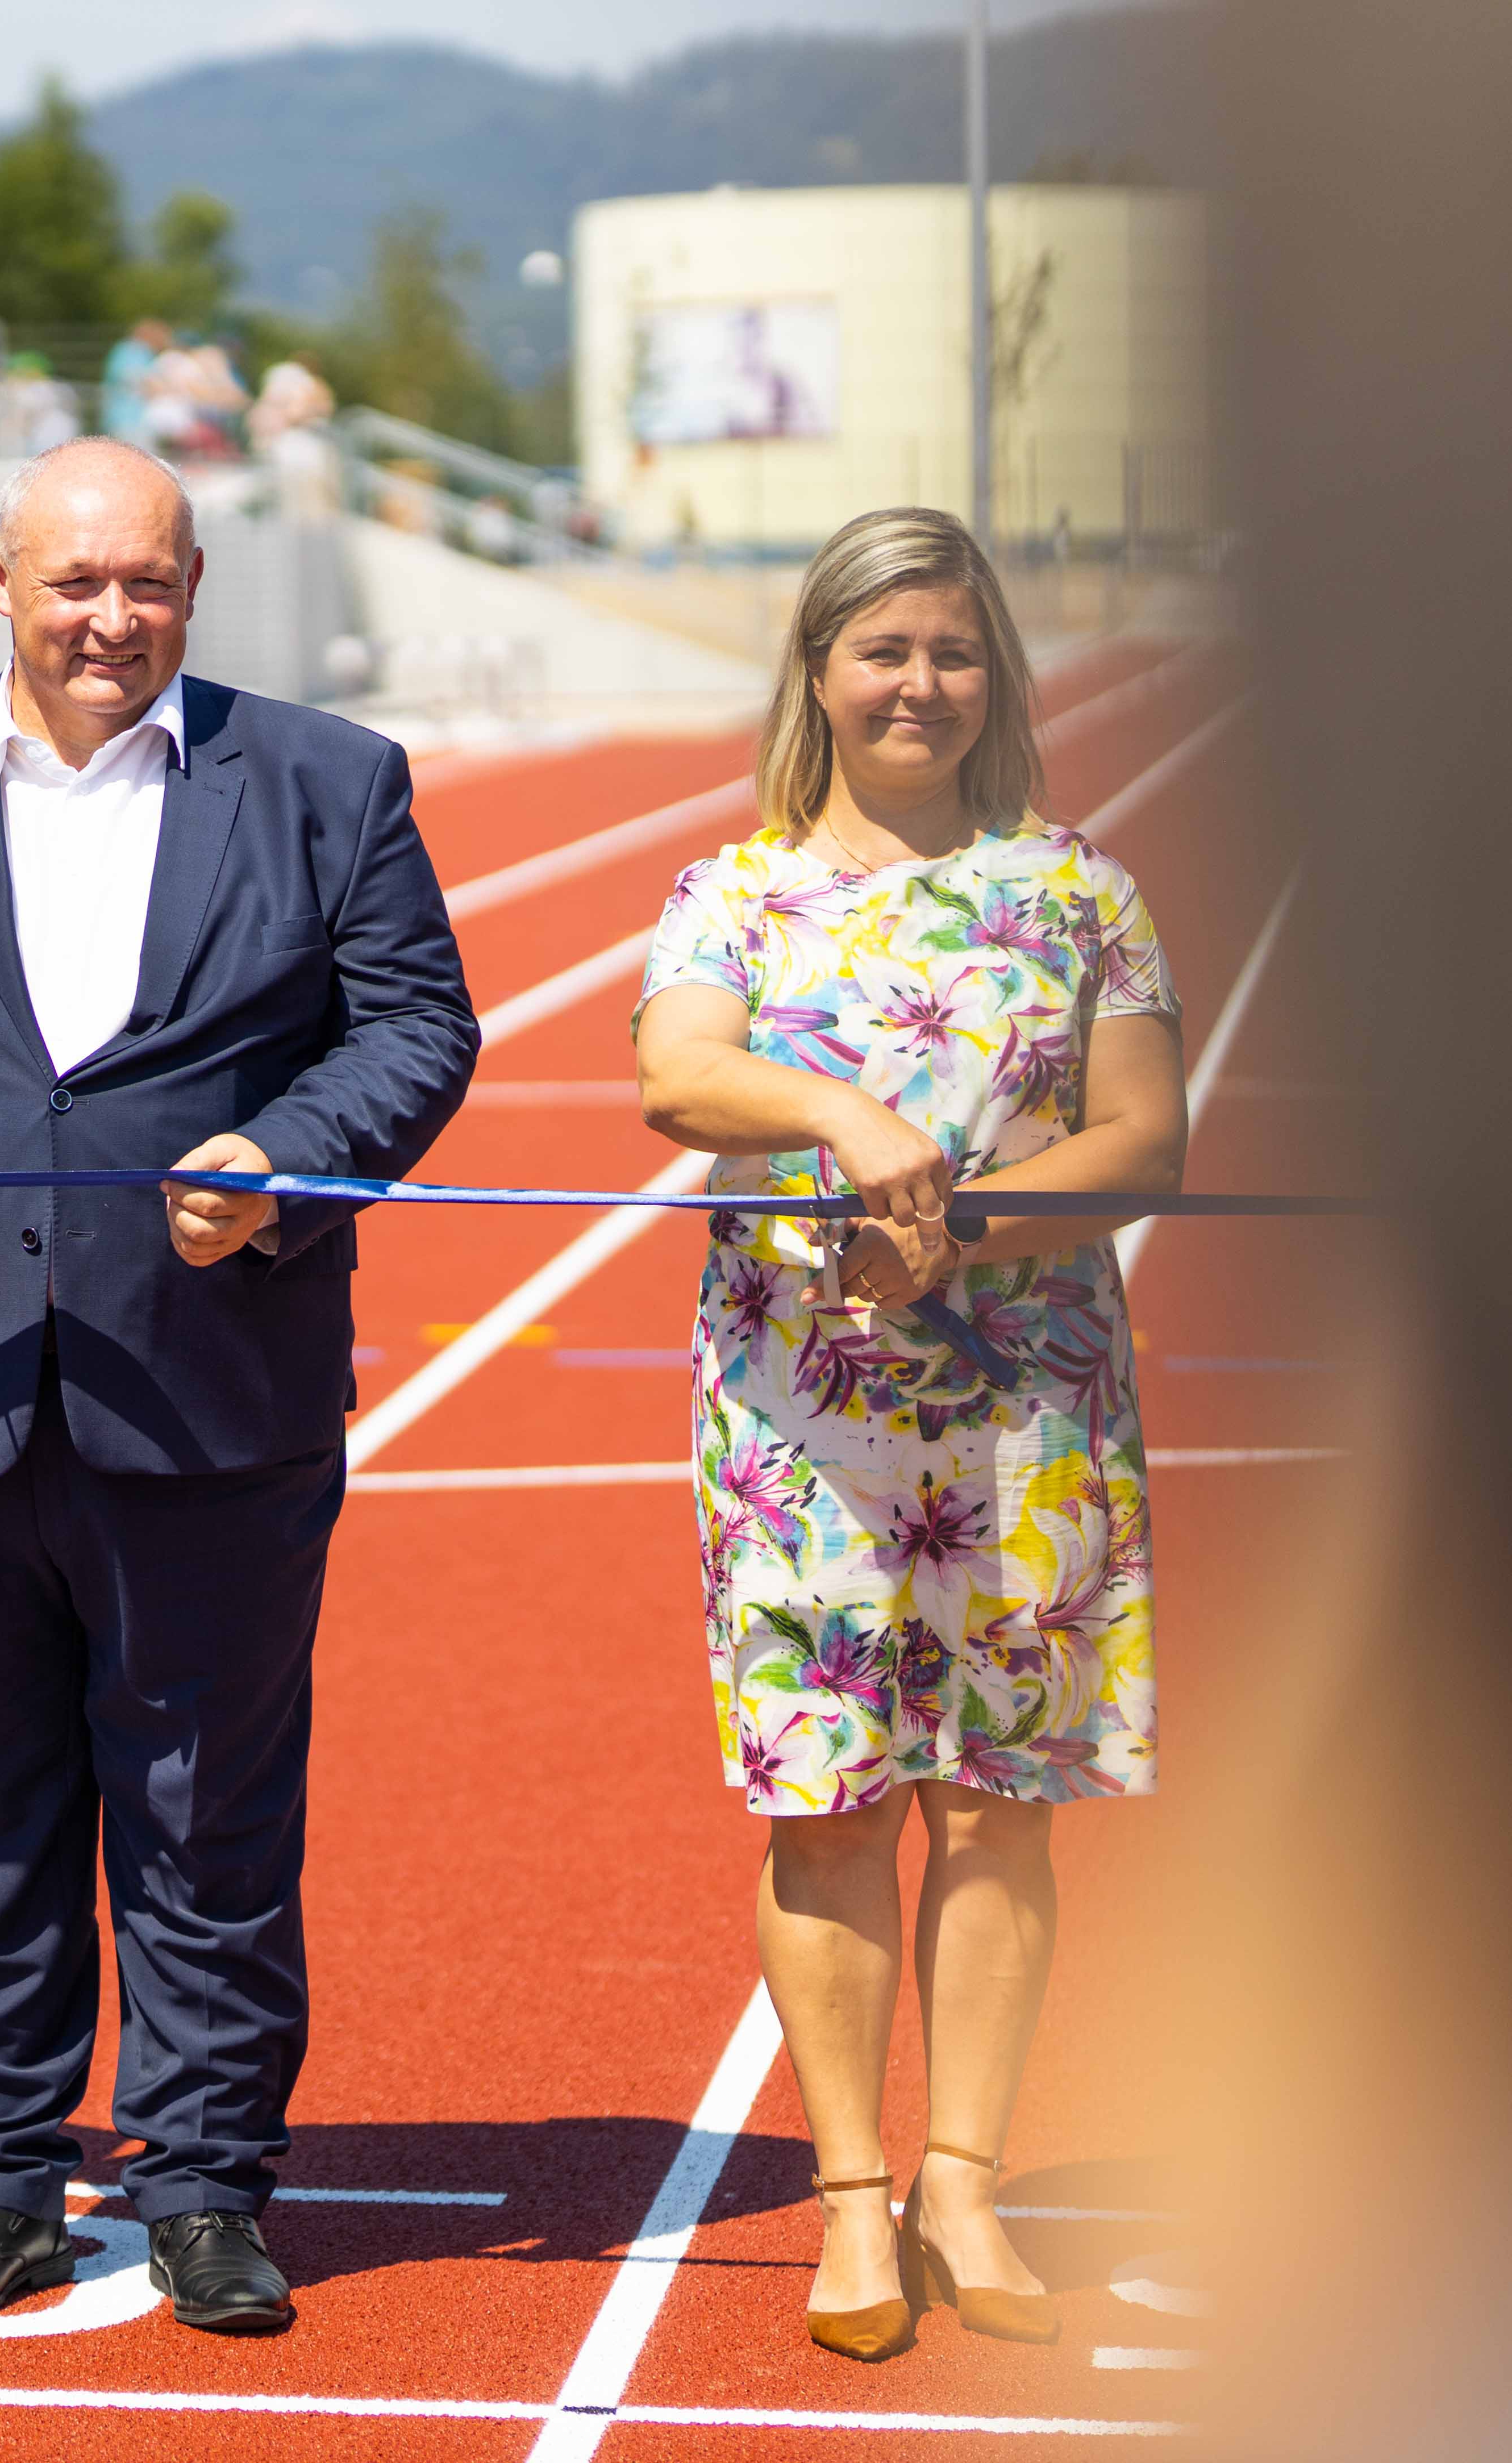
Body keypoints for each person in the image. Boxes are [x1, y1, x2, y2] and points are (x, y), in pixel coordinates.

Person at [0, 439, 478, 2335]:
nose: (110, 618)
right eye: (73, 583)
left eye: (146, 582)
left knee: (206, 1819)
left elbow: (416, 1024)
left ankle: (203, 2182)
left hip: (210, 1393)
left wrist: (288, 1160)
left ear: (193, 585)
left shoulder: (327, 780)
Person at [630, 506, 1186, 2364]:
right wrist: (839, 1118)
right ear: (816, 670)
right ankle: (851, 2193)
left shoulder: (1080, 889)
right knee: (827, 1801)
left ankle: (965, 2178)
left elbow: (1141, 1135)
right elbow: (675, 1073)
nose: (916, 684)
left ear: (992, 674)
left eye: (950, 650)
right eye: (880, 650)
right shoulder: (730, 890)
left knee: (995, 1798)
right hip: (802, 1423)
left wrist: (959, 1228)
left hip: (1027, 1406)